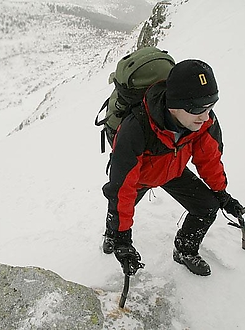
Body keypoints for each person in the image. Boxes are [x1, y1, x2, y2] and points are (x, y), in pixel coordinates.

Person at [102, 59, 244, 276]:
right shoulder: (136, 127)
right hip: (140, 177)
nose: (206, 116)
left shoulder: (201, 122)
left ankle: (185, 250)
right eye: (197, 108)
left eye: (210, 107)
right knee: (120, 206)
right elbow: (122, 187)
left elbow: (210, 159)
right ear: (174, 104)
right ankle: (112, 235)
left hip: (173, 171)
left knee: (207, 207)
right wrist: (123, 237)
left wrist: (220, 193)